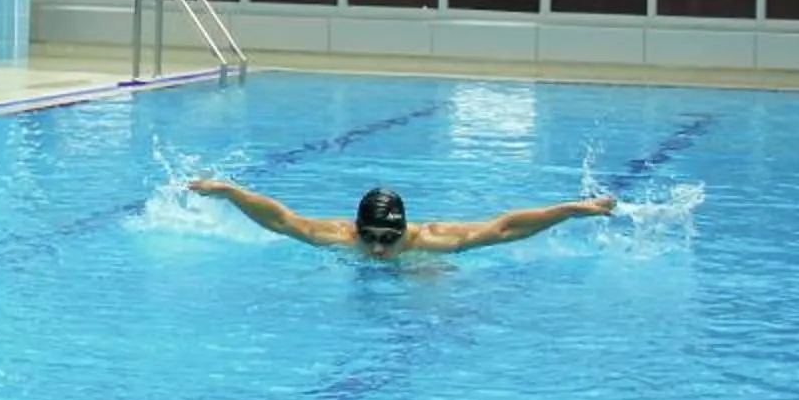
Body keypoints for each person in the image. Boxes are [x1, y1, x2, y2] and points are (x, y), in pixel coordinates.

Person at [186, 178, 616, 259]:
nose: (376, 249)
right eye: (369, 237)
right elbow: (281, 220)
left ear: (403, 231)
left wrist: (566, 211)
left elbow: (505, 228)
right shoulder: (339, 236)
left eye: (387, 239)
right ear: (355, 228)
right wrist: (231, 193)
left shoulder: (431, 240)